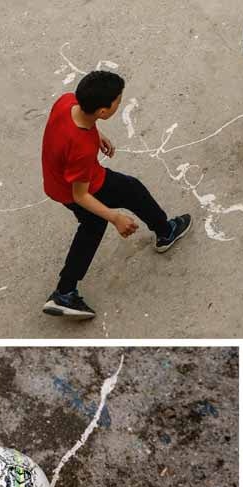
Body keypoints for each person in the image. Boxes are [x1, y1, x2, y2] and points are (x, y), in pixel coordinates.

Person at [40, 69, 191, 320]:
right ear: (102, 111)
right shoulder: (82, 147)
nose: (119, 103)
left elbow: (75, 128)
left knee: (91, 225)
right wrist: (115, 217)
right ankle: (166, 231)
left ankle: (65, 291)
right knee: (132, 191)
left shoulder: (67, 101)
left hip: (55, 181)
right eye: (117, 102)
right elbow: (81, 195)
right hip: (82, 188)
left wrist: (96, 134)